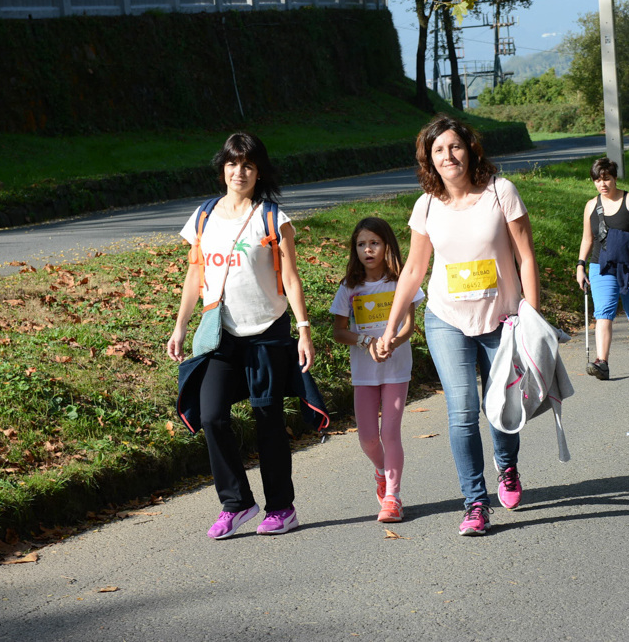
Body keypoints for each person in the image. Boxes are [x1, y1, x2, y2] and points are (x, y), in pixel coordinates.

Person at [375, 115, 540, 536]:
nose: (448, 156)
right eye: (438, 150)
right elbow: (414, 270)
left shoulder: (501, 192)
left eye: (455, 147)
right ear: (429, 159)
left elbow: (526, 257)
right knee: (462, 411)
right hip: (447, 319)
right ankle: (475, 503)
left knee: (501, 408)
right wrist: (390, 328)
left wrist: (532, 317)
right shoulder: (427, 205)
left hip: (502, 319)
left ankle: (507, 466)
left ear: (470, 150)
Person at [167, 133, 316, 539]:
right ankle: (237, 503)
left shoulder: (272, 218)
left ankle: (282, 508)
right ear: (223, 169)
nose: (239, 172)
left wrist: (304, 330)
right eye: (233, 163)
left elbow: (291, 277)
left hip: (267, 332)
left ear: (259, 172)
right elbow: (195, 274)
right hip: (221, 335)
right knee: (212, 416)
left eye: (248, 165)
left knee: (268, 420)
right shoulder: (203, 216)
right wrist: (181, 325)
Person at [330, 218, 424, 523]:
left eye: (374, 243)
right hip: (364, 373)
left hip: (396, 368)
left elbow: (409, 326)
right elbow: (338, 332)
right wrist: (366, 341)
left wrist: (391, 342)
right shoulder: (349, 287)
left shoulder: (401, 282)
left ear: (387, 247)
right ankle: (382, 472)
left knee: (390, 432)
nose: (367, 250)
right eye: (361, 244)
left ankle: (393, 497)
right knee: (369, 438)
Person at [575, 157, 629, 379]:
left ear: (615, 178)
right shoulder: (591, 206)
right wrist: (580, 264)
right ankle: (602, 362)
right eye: (598, 180)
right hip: (601, 266)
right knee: (603, 313)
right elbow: (587, 239)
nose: (603, 184)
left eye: (607, 179)